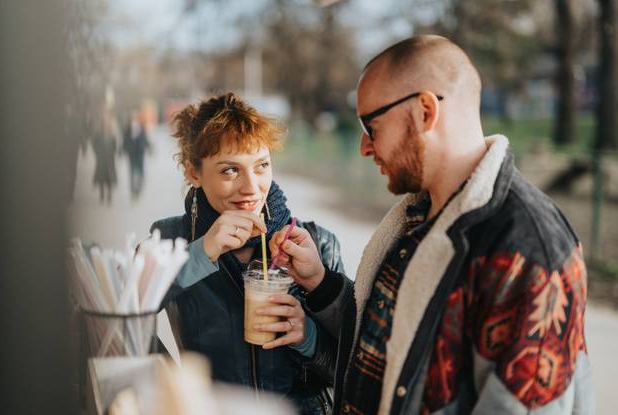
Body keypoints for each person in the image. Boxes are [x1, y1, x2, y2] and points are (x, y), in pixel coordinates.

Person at [269, 35, 594, 414]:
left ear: (425, 110)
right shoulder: (418, 217)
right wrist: (320, 284)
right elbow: (389, 344)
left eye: (372, 126)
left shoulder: (527, 247)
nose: (364, 146)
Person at [150, 92, 345, 415]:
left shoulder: (317, 243)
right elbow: (121, 314)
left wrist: (307, 337)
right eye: (230, 170)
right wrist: (202, 252)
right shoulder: (170, 240)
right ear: (193, 173)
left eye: (262, 166)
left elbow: (357, 369)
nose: (251, 187)